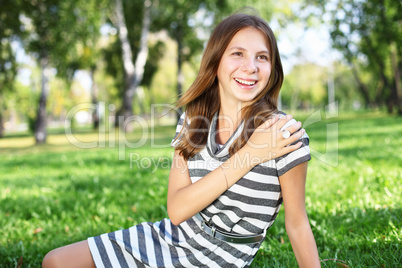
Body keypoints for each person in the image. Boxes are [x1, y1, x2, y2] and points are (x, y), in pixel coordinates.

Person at [42, 12, 320, 268]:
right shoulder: (193, 120)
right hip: (175, 235)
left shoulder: (284, 133)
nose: (251, 67)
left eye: (262, 57)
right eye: (238, 54)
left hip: (221, 258)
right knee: (55, 261)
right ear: (216, 62)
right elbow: (177, 210)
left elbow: (296, 223)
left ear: (272, 67)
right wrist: (253, 153)